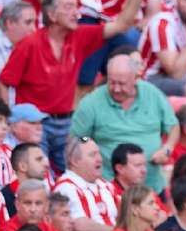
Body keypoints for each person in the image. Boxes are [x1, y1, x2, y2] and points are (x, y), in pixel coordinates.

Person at [0, 0, 154, 173]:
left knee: (74, 174)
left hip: (67, 121)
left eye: (76, 7)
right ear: (52, 14)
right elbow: (4, 82)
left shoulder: (79, 36)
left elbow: (121, 25)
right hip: (36, 124)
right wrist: (11, 118)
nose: (77, 13)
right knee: (37, 174)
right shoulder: (30, 44)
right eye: (69, 7)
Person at [72, 53, 180, 194]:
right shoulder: (91, 102)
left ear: (136, 79)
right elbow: (77, 139)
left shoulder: (152, 94)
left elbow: (173, 126)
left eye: (122, 84)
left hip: (152, 186)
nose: (116, 89)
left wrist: (167, 149)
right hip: (112, 188)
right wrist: (89, 144)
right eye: (112, 82)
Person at [53, 136, 119, 231]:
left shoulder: (104, 185)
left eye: (99, 153)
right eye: (92, 155)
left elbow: (126, 215)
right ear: (75, 161)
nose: (99, 159)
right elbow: (81, 227)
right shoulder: (67, 187)